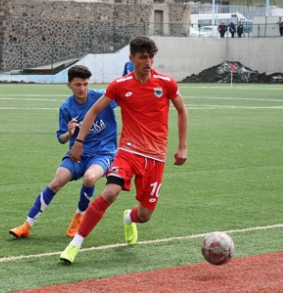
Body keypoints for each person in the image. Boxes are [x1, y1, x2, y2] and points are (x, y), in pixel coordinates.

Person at [59, 36, 188, 264]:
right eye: (143, 57)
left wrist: (182, 147)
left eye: (151, 57)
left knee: (145, 215)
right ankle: (74, 244)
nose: (148, 62)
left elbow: (181, 111)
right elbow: (93, 111)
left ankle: (129, 218)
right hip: (128, 152)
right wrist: (78, 142)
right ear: (132, 59)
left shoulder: (166, 83)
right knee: (109, 192)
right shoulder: (120, 85)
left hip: (156, 157)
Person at [9, 65, 118, 239]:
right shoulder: (67, 107)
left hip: (103, 153)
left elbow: (124, 96)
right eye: (77, 85)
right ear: (69, 85)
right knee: (56, 183)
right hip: (77, 154)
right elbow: (61, 138)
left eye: (85, 84)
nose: (82, 88)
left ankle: (79, 217)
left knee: (90, 178)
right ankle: (26, 225)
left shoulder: (101, 98)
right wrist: (69, 132)